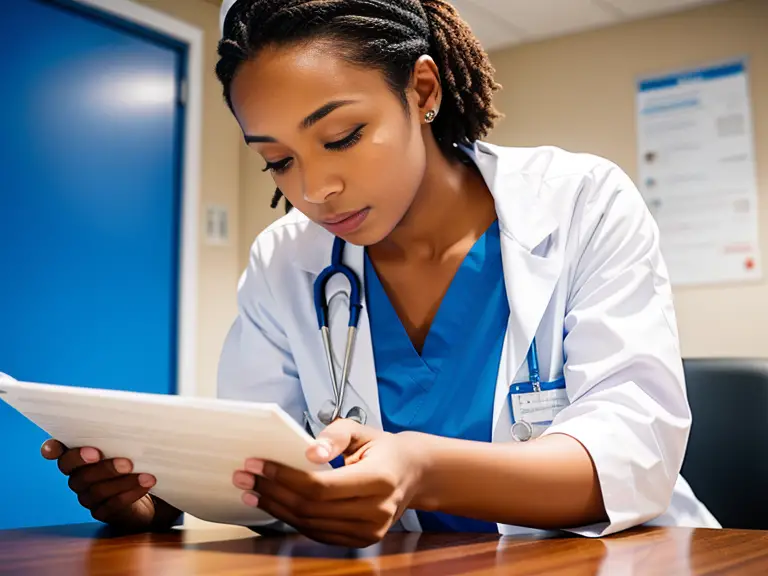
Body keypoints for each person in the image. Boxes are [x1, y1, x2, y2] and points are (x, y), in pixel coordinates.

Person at [41, 0, 720, 547]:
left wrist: (419, 468)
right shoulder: (285, 261)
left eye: (340, 137)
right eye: (278, 161)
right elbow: (262, 467)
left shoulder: (581, 201)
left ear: (421, 89)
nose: (315, 189)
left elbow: (634, 453)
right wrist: (159, 498)